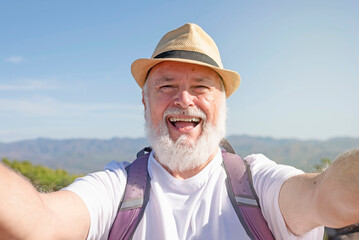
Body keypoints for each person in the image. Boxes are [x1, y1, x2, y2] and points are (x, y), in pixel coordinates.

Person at [0, 23, 358, 240]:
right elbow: (40, 224)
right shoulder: (116, 190)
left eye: (201, 87)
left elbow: (322, 195)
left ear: (222, 105)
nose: (183, 100)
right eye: (166, 86)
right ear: (145, 104)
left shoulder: (258, 186)